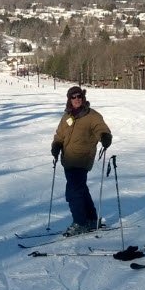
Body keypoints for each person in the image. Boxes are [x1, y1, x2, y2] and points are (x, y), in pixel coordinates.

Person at [50, 86, 112, 236]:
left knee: (73, 192)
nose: (77, 99)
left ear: (83, 98)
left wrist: (105, 136)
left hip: (82, 158)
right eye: (73, 97)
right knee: (81, 189)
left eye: (79, 97)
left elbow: (101, 128)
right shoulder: (68, 116)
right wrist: (57, 145)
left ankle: (80, 222)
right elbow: (60, 134)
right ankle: (90, 219)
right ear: (69, 99)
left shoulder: (92, 115)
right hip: (68, 159)